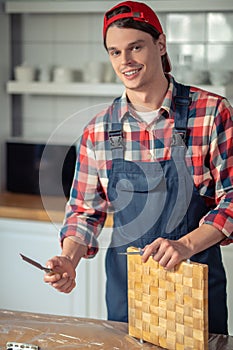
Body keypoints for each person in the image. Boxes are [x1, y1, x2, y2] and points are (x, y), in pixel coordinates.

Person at [44, 1, 233, 335]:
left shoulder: (212, 112)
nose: (125, 61)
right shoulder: (98, 130)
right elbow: (84, 212)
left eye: (135, 47)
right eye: (115, 52)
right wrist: (69, 260)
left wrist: (185, 245)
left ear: (160, 45)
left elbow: (231, 199)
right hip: (127, 294)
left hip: (196, 290)